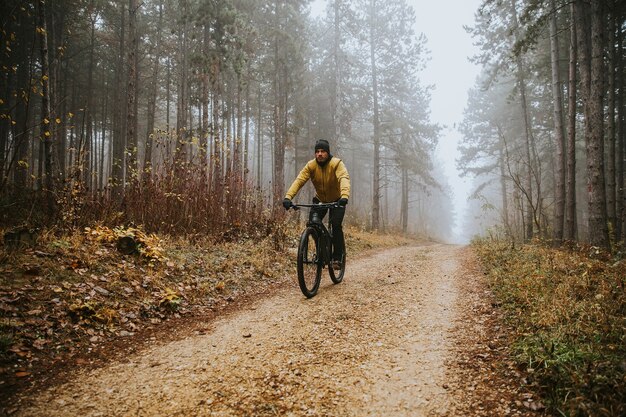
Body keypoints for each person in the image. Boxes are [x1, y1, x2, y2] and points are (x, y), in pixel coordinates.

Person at [283, 139, 350, 269]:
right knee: (313, 224)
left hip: (337, 200)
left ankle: (337, 257)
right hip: (320, 200)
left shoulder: (336, 164)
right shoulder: (311, 165)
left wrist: (344, 196)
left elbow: (344, 178)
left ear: (328, 152)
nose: (319, 154)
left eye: (323, 151)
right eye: (317, 151)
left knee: (336, 225)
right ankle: (322, 250)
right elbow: (299, 180)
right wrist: (288, 197)